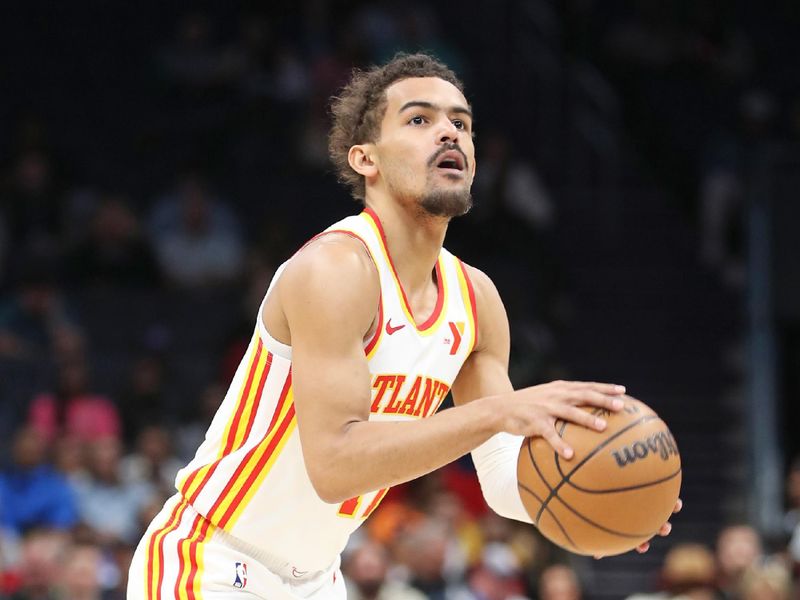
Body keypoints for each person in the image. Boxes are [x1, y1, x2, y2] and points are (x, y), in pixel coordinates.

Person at [128, 52, 677, 600]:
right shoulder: (336, 270)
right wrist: (498, 411)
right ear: (365, 159)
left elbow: (503, 478)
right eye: (420, 120)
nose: (449, 134)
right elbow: (336, 466)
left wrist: (607, 498)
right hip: (210, 559)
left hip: (316, 579)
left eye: (460, 123)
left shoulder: (477, 299)